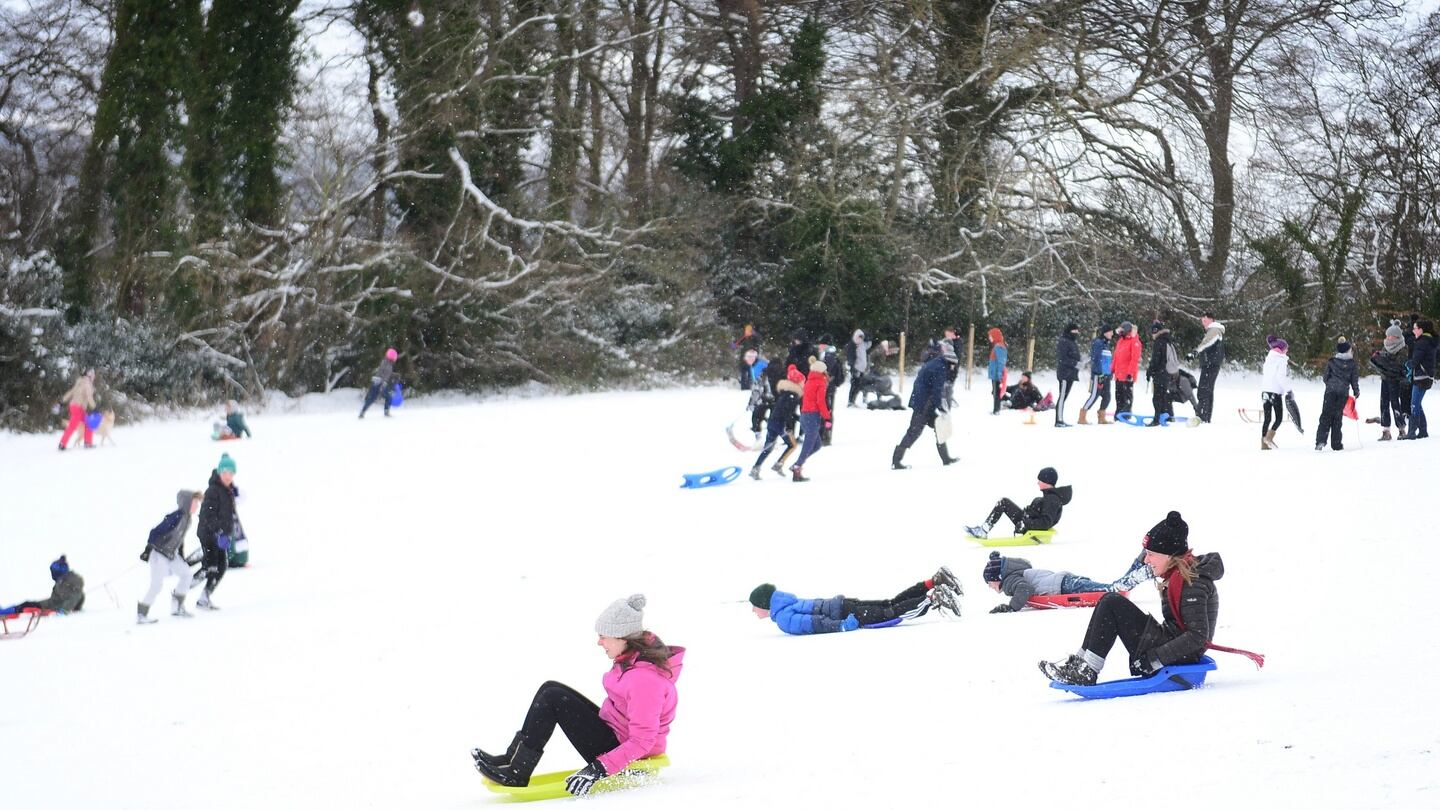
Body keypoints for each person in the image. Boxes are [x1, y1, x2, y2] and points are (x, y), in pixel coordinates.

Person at [471, 595, 683, 796]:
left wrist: (598, 768)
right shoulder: (632, 661)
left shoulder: (644, 681)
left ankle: (516, 772)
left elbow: (642, 741)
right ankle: (512, 760)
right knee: (550, 688)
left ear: (622, 638)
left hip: (628, 758)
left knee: (553, 697)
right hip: (617, 737)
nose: (600, 642)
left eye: (603, 636)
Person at [1039, 512, 1227, 686]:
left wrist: (1154, 659)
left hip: (1183, 654)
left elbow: (1197, 637)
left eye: (1151, 554)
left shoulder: (1191, 583)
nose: (1146, 560)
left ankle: (1087, 670)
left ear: (1169, 555)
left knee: (1112, 602)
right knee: (1108, 601)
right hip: (1172, 644)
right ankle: (1081, 664)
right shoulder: (1178, 576)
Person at [748, 568, 963, 634]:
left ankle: (933, 598)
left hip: (845, 615)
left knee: (892, 613)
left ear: (765, 605)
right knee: (889, 604)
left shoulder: (784, 619)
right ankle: (933, 581)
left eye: (755, 607)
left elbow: (815, 623)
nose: (753, 611)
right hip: (843, 604)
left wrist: (842, 626)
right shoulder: (787, 603)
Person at [137, 490, 203, 623]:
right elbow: (155, 531)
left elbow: (179, 540)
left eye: (198, 503)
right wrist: (148, 549)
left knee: (186, 574)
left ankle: (177, 607)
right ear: (186, 503)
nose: (197, 506)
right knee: (156, 585)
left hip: (171, 554)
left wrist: (181, 557)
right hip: (159, 554)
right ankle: (141, 614)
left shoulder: (187, 519)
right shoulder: (176, 516)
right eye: (195, 503)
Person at [982, 552, 1124, 613]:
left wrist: (1011, 608)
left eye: (989, 582)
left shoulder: (1009, 581)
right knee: (1091, 586)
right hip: (1062, 580)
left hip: (1060, 586)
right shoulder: (1018, 572)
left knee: (1100, 589)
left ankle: (1116, 589)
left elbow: (1025, 589)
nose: (990, 587)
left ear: (998, 578)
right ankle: (1115, 588)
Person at [891, 342, 958, 470]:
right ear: (950, 362)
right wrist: (941, 407)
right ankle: (896, 460)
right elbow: (937, 390)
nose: (953, 368)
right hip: (923, 404)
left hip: (922, 401)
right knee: (914, 432)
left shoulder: (938, 362)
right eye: (953, 365)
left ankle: (946, 458)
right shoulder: (941, 368)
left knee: (939, 427)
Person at [964, 467, 1071, 539]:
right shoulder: (1049, 497)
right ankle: (983, 530)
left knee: (1004, 502)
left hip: (1029, 526)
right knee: (1004, 502)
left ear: (1047, 482)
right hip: (1026, 522)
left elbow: (1045, 522)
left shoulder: (1052, 499)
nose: (1038, 482)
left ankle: (983, 531)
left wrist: (1025, 523)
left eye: (1040, 480)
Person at [195, 453, 238, 610]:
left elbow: (228, 515)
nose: (228, 476)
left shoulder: (227, 491)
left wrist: (227, 532)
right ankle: (182, 589)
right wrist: (219, 531)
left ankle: (204, 597)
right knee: (211, 567)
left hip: (219, 535)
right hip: (208, 534)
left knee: (222, 565)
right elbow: (208, 515)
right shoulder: (213, 490)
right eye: (225, 473)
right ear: (219, 473)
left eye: (231, 473)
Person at [750, 365, 805, 479]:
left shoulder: (785, 393)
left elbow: (783, 411)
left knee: (768, 447)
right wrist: (790, 425)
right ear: (797, 382)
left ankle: (756, 468)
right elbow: (787, 413)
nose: (803, 384)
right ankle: (779, 464)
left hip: (772, 422)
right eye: (802, 382)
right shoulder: (792, 395)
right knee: (792, 445)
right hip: (781, 424)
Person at [790, 357, 831, 482]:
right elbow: (820, 402)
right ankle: (797, 467)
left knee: (817, 445)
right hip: (812, 416)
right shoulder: (820, 382)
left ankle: (798, 464)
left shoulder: (809, 381)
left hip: (804, 415)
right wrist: (827, 418)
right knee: (808, 445)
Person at [1315, 338, 1360, 451]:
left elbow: (1325, 377)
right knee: (1337, 417)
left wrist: (1330, 384)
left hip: (1330, 391)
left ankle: (1320, 441)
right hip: (1343, 393)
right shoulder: (1352, 364)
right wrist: (1356, 391)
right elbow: (1354, 380)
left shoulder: (1332, 362)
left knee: (1325, 415)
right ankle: (1336, 444)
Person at [1369, 321, 1410, 440]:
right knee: (1383, 403)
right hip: (1385, 378)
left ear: (1396, 336)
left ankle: (1402, 429)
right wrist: (1378, 360)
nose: (1388, 338)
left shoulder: (1403, 348)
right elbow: (1383, 362)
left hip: (1396, 380)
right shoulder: (1385, 346)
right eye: (1387, 336)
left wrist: (1385, 362)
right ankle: (1386, 430)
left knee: (1395, 403)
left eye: (1390, 336)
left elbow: (1398, 365)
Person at [3, 556, 85, 615]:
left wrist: (63, 610)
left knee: (26, 606)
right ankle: (4, 611)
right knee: (27, 604)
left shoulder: (69, 582)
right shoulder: (63, 581)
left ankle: (4, 612)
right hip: (50, 604)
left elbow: (75, 596)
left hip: (53, 607)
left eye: (53, 572)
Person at [1191, 313, 1225, 424]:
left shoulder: (1214, 330)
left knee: (1203, 389)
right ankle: (1205, 417)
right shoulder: (1214, 330)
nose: (1203, 323)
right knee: (1207, 390)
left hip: (1211, 364)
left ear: (1211, 320)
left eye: (1205, 321)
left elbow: (1207, 343)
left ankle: (1202, 416)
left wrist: (1195, 352)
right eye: (1202, 321)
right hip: (1211, 363)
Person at [1405, 319, 1436, 440]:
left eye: (1415, 328)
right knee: (1417, 403)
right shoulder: (1428, 341)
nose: (1413, 330)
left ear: (1421, 330)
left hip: (1421, 377)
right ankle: (1423, 430)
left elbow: (1416, 360)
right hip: (1426, 377)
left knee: (1414, 404)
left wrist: (1408, 364)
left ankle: (1412, 431)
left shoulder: (1422, 342)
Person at [1261, 335, 1292, 449]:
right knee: (1278, 418)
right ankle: (1268, 438)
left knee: (1267, 419)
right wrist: (1288, 390)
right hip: (1275, 393)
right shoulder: (1281, 360)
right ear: (1281, 349)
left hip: (1265, 391)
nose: (1287, 350)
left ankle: (1264, 444)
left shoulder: (1268, 359)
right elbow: (1280, 377)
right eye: (1286, 348)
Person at [1078, 325, 1114, 425]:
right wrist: (1100, 373)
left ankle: (1101, 417)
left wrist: (1109, 373)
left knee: (1107, 396)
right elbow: (1096, 359)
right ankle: (1082, 416)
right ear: (1105, 333)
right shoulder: (1098, 343)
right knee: (1094, 395)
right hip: (1099, 375)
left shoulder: (1107, 344)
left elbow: (1107, 361)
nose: (1112, 334)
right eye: (1110, 332)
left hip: (1106, 375)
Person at [1146, 321, 1178, 425]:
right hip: (1168, 373)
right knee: (1165, 395)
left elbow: (1156, 360)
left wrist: (1150, 371)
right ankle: (1168, 416)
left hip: (1160, 373)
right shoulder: (1168, 340)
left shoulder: (1159, 342)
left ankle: (1157, 419)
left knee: (1157, 397)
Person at [58, 369, 97, 450]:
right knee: (73, 426)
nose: (93, 377)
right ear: (90, 376)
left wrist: (63, 400)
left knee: (88, 424)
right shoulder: (87, 384)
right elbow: (89, 396)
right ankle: (63, 444)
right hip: (79, 407)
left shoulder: (79, 382)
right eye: (93, 375)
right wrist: (93, 406)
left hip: (73, 406)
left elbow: (71, 392)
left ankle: (87, 442)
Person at [818, 339, 845, 445]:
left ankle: (821, 435)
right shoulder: (835, 358)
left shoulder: (825, 357)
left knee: (822, 412)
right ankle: (827, 434)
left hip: (823, 388)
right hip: (831, 390)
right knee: (829, 413)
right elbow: (840, 377)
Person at [1112, 321, 1142, 415]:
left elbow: (1134, 359)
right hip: (1118, 375)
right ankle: (1118, 414)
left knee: (1127, 396)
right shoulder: (1120, 341)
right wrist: (1112, 370)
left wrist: (1130, 373)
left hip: (1127, 375)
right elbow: (1116, 357)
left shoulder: (1134, 342)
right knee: (1118, 396)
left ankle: (1126, 414)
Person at [359, 348, 399, 418]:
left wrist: (393, 374)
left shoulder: (387, 363)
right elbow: (382, 373)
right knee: (378, 397)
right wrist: (383, 383)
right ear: (392, 357)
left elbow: (385, 373)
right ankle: (363, 412)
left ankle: (363, 412)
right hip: (379, 382)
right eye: (395, 356)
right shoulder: (386, 363)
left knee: (384, 396)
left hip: (378, 382)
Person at [1054, 323, 1081, 426]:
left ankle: (1060, 419)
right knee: (1062, 397)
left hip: (1071, 374)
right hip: (1065, 373)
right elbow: (1063, 358)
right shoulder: (1064, 341)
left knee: (1064, 397)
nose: (1076, 333)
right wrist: (1075, 363)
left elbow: (1074, 356)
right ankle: (1059, 420)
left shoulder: (1072, 342)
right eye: (1074, 331)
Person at [845, 329, 872, 407]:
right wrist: (853, 368)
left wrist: (867, 336)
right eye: (859, 338)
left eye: (861, 338)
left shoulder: (863, 344)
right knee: (854, 385)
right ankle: (850, 401)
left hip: (862, 369)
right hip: (855, 368)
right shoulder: (852, 345)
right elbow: (850, 357)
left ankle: (856, 400)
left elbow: (869, 343)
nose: (860, 340)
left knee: (860, 385)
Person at [986, 328, 1008, 414]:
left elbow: (1001, 362)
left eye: (991, 336)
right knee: (995, 392)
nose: (989, 338)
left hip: (996, 374)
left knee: (997, 393)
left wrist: (999, 374)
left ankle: (996, 410)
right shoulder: (997, 345)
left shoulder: (999, 346)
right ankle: (996, 409)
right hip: (994, 373)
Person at [733, 324, 761, 389]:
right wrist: (734, 344)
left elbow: (759, 340)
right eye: (746, 330)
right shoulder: (744, 338)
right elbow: (735, 344)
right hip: (744, 358)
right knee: (744, 372)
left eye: (748, 330)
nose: (747, 332)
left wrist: (754, 334)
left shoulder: (755, 338)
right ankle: (744, 387)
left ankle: (749, 386)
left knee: (750, 372)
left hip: (751, 358)